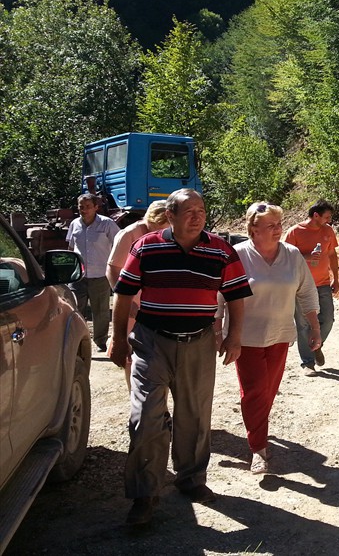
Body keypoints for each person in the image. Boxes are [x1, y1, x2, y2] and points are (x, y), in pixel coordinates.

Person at [108, 188, 252, 526]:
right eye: (189, 211)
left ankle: (190, 480)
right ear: (170, 216)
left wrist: (234, 336)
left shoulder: (221, 250)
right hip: (151, 342)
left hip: (199, 342)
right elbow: (124, 294)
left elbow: (236, 297)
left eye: (201, 210)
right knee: (145, 417)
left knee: (195, 416)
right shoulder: (147, 246)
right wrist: (117, 339)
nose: (197, 216)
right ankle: (145, 493)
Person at [217, 202, 322, 474]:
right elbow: (219, 295)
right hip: (245, 337)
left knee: (268, 392)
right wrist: (219, 332)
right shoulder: (236, 255)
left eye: (279, 224)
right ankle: (258, 449)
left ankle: (257, 428)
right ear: (254, 229)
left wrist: (314, 327)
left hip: (279, 335)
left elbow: (307, 291)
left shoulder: (292, 255)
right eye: (271, 226)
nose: (278, 229)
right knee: (254, 392)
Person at [106, 200, 170, 389]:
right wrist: (126, 300)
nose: (159, 232)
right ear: (148, 219)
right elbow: (112, 269)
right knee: (132, 355)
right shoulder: (129, 234)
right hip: (134, 304)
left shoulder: (171, 234)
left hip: (159, 304)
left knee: (160, 355)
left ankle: (160, 407)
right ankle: (136, 397)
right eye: (156, 227)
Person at [282, 200, 339, 376]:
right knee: (303, 325)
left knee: (328, 319)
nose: (329, 221)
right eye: (327, 217)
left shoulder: (328, 231)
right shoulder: (295, 232)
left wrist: (336, 279)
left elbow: (332, 254)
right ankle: (307, 363)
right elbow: (285, 257)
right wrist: (307, 256)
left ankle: (316, 345)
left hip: (322, 283)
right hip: (300, 285)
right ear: (316, 215)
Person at [66, 193, 120, 351]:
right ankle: (76, 340)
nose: (84, 210)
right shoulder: (74, 224)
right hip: (78, 276)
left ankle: (100, 341)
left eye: (88, 206)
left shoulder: (107, 224)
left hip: (100, 275)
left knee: (101, 311)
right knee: (74, 308)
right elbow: (70, 248)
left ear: (96, 207)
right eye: (81, 207)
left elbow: (119, 245)